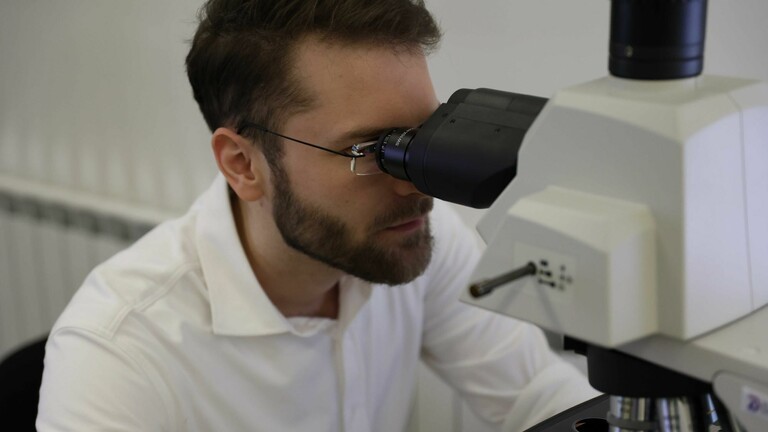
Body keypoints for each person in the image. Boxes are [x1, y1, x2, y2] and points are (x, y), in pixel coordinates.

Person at [37, 0, 599, 430]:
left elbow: (538, 395)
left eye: (424, 136)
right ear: (243, 164)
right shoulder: (118, 357)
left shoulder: (412, 236)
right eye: (373, 150)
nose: (416, 186)